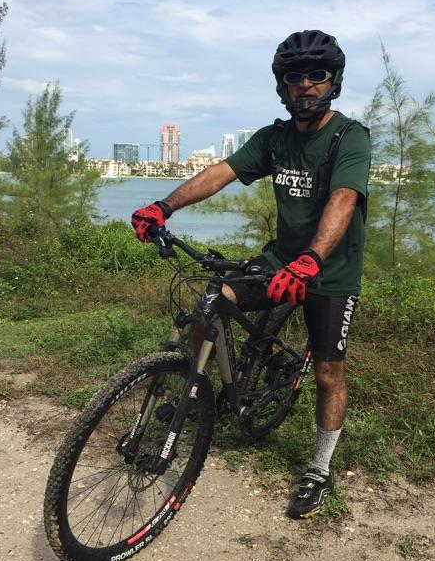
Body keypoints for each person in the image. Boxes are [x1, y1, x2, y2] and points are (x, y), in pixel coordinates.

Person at [131, 30, 371, 519]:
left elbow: (343, 199)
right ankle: (197, 393)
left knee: (328, 372)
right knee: (213, 298)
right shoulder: (275, 139)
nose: (305, 85)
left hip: (331, 272)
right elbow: (220, 172)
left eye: (316, 75)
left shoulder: (349, 138)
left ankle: (319, 469)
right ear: (282, 84)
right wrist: (164, 205)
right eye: (294, 77)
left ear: (333, 81)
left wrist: (313, 260)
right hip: (281, 260)